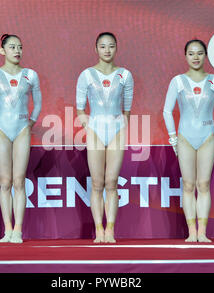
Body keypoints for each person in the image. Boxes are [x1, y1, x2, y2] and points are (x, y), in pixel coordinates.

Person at [163, 39, 214, 242]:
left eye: (200, 53)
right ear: (185, 56)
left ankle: (202, 232)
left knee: (203, 184)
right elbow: (167, 110)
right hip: (185, 137)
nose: (195, 57)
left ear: (206, 56)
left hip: (207, 137)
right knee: (188, 185)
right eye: (191, 53)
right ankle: (191, 232)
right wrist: (173, 139)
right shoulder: (177, 81)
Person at [0, 34, 42, 243]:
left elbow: (38, 104)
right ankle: (7, 230)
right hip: (2, 131)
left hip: (22, 130)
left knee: (19, 180)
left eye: (20, 47)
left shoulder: (30, 75)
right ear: (2, 50)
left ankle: (18, 230)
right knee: (5, 181)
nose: (17, 51)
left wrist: (30, 123)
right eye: (12, 47)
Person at [76, 32, 134, 243]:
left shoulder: (125, 75)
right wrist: (89, 126)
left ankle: (110, 230)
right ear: (96, 49)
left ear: (116, 48)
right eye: (103, 46)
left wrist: (121, 126)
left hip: (117, 129)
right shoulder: (87, 75)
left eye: (111, 46)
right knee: (97, 183)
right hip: (95, 130)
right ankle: (98, 230)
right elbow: (80, 108)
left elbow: (127, 110)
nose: (107, 50)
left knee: (112, 182)